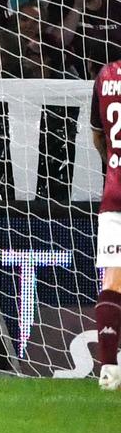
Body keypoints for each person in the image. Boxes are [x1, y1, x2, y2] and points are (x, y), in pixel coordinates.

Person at [88, 50, 119, 390]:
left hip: (115, 192)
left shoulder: (106, 76)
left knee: (113, 281)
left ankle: (109, 370)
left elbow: (99, 136)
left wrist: (113, 165)